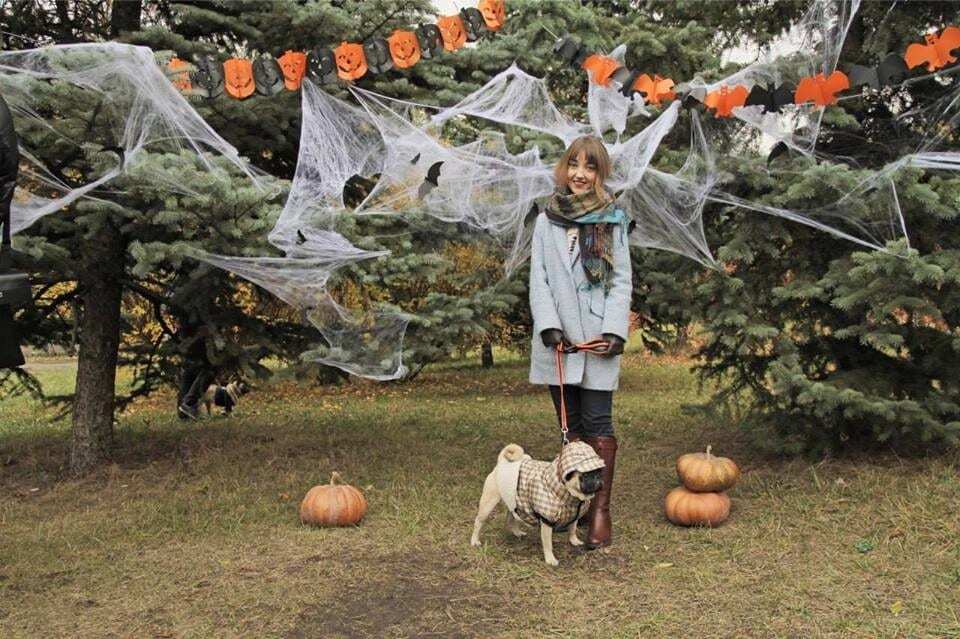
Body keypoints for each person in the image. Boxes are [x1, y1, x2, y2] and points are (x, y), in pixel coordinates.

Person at [528, 135, 632, 550]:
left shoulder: (612, 220)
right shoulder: (545, 221)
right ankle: (575, 504)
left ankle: (600, 511)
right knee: (570, 425)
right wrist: (549, 325)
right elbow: (540, 279)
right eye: (574, 165)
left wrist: (614, 331)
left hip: (597, 341)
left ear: (600, 173)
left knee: (598, 423)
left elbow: (621, 279)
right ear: (564, 168)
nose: (581, 174)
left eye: (590, 167)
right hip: (559, 343)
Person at [176, 319, 215, 420]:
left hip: (191, 345)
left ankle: (187, 406)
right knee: (209, 370)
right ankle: (188, 403)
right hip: (195, 339)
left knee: (192, 368)